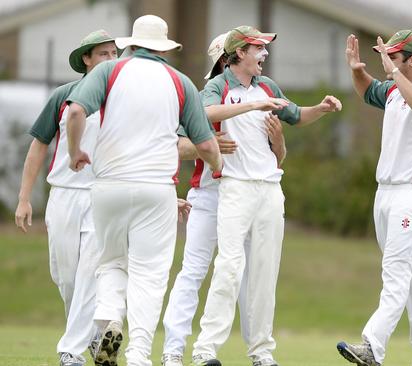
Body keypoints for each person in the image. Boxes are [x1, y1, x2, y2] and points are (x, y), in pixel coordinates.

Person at [65, 15, 222, 366]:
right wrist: (217, 169)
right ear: (165, 47)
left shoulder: (109, 71)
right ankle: (138, 354)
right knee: (149, 273)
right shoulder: (179, 81)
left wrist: (75, 152)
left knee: (110, 264)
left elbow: (75, 111)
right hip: (157, 190)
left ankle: (111, 320)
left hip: (109, 186)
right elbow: (207, 144)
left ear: (131, 44)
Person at [191, 25, 342, 366]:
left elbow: (295, 115)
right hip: (236, 188)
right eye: (258, 49)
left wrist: (320, 108)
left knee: (265, 270)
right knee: (229, 267)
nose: (264, 55)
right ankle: (204, 352)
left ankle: (261, 353)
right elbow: (206, 114)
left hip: (270, 189)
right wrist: (255, 105)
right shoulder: (219, 85)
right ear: (240, 52)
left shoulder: (268, 86)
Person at [161, 31, 287, 366]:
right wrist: (210, 145)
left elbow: (276, 156)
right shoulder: (208, 98)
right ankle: (173, 350)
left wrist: (278, 144)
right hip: (207, 194)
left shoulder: (259, 92)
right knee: (194, 272)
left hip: (250, 193)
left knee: (250, 276)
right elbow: (180, 146)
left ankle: (258, 352)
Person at [337, 30, 412, 366]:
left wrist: (391, 74)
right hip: (386, 193)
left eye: (394, 56)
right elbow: (368, 91)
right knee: (410, 273)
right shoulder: (392, 89)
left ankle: (372, 346)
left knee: (396, 272)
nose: (387, 61)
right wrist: (358, 70)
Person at [14, 29, 117, 366]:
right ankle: (92, 338)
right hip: (64, 196)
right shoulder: (64, 95)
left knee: (90, 273)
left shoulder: (121, 97)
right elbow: (38, 147)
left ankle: (70, 352)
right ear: (86, 59)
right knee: (67, 278)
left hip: (102, 196)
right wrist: (24, 198)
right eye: (103, 54)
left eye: (115, 53)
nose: (110, 60)